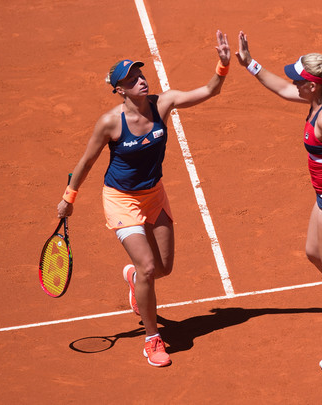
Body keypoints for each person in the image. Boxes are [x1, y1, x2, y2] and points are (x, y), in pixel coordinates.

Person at [57, 30, 231, 367]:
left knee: (163, 267)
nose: (141, 81)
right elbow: (86, 162)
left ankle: (134, 280)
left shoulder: (162, 103)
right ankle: (152, 339)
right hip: (121, 199)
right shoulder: (110, 123)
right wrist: (69, 197)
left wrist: (222, 65)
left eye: (140, 74)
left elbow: (210, 90)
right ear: (119, 89)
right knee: (148, 266)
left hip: (154, 194)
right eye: (131, 79)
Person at [235, 31, 322, 372]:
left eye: (298, 80)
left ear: (312, 85)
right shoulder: (318, 100)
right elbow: (283, 89)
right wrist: (249, 63)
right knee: (314, 253)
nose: (292, 83)